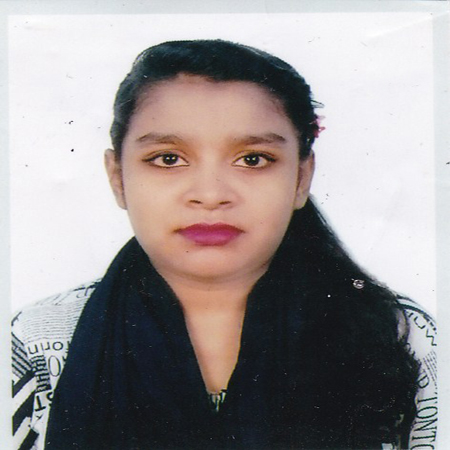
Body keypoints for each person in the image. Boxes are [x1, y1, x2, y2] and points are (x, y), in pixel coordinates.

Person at [12, 40, 437, 449]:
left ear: (301, 178)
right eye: (168, 159)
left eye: (253, 159)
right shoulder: (31, 344)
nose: (211, 194)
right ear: (118, 177)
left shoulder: (405, 336)